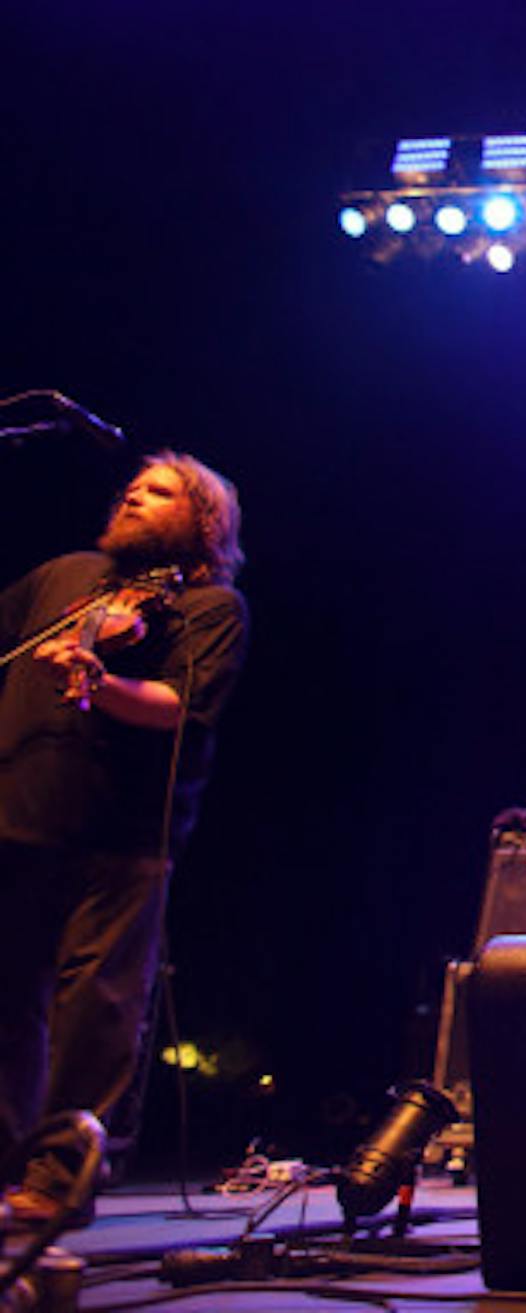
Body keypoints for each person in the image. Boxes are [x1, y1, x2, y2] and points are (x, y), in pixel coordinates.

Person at [0, 452, 247, 1231]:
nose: (136, 495)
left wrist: (100, 682)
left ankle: (58, 1178)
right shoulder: (67, 574)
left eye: (160, 491)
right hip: (17, 815)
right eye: (134, 487)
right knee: (6, 1003)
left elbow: (178, 704)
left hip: (122, 835)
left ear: (202, 521)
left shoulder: (207, 606)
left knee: (95, 1011)